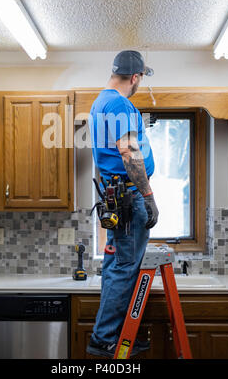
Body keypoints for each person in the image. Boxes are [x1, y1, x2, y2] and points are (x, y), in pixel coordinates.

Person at [87, 50, 159, 358]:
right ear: (135, 77)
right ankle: (105, 339)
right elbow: (128, 153)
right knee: (125, 267)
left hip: (117, 199)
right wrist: (149, 196)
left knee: (117, 265)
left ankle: (111, 335)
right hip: (129, 198)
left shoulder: (100, 103)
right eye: (141, 78)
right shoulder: (118, 103)